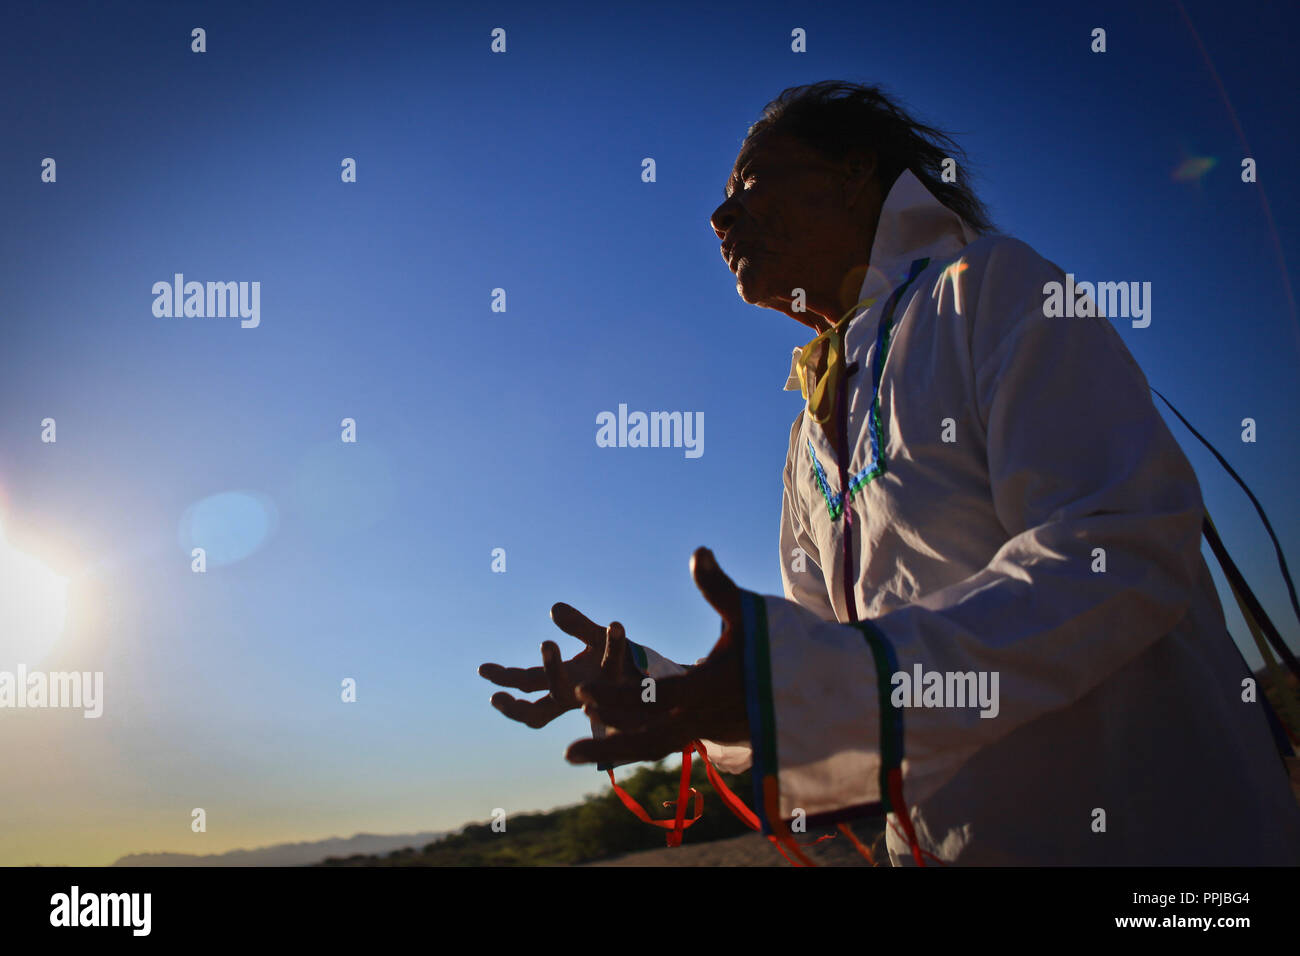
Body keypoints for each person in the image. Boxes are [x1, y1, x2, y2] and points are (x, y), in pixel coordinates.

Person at [480, 81, 1300, 865]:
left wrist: (822, 683)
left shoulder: (990, 288)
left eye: (752, 182)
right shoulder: (809, 429)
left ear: (853, 175)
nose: (719, 213)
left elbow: (1120, 554)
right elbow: (825, 674)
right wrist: (668, 689)